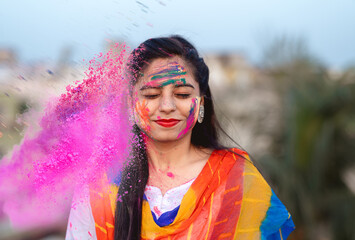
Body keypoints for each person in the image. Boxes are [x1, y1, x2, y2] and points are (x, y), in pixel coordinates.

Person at [66, 36, 295, 240]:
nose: (167, 106)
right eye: (152, 94)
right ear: (130, 103)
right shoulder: (98, 184)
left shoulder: (236, 179)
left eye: (182, 94)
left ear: (201, 102)